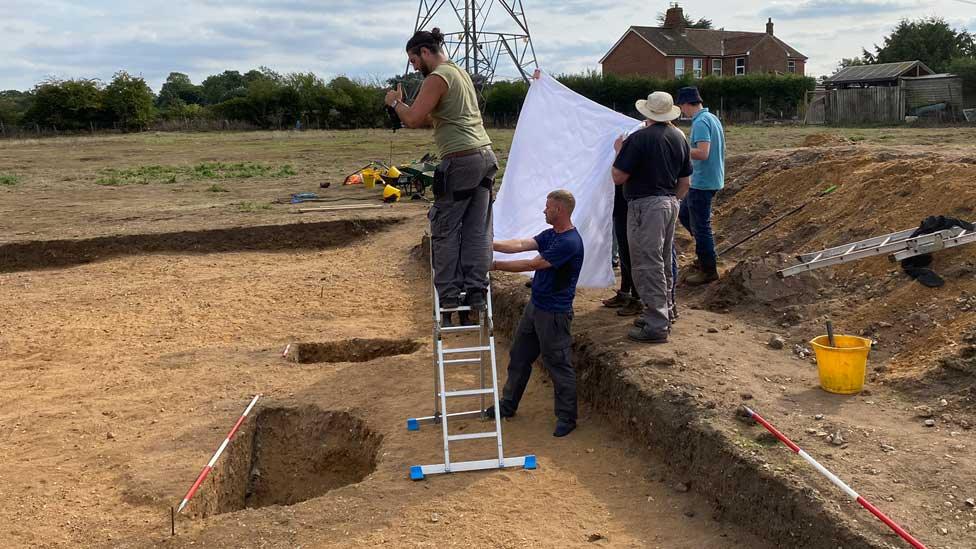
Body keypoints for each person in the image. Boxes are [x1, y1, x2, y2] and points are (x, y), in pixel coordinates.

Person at [386, 28, 498, 321]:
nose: (413, 67)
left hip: (461, 160)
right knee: (476, 230)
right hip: (484, 157)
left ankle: (448, 298)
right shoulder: (458, 72)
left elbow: (411, 119)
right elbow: (430, 119)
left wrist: (395, 103)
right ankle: (475, 293)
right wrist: (409, 111)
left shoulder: (437, 78)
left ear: (424, 52)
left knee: (445, 229)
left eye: (413, 60)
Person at [487, 190, 584, 437]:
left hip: (554, 314)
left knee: (558, 364)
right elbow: (521, 245)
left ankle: (567, 417)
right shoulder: (552, 235)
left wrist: (494, 265)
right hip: (536, 307)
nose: (544, 210)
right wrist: (488, 245)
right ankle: (508, 405)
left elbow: (533, 264)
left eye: (547, 207)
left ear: (559, 210)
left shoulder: (568, 242)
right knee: (519, 356)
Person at [611, 91, 691, 344]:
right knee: (664, 261)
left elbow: (618, 176)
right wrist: (673, 201)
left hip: (646, 206)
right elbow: (685, 181)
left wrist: (619, 152)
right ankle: (667, 311)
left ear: (647, 113)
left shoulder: (639, 139)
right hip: (670, 203)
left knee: (647, 264)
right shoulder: (679, 137)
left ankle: (656, 324)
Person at [675, 86, 725, 285]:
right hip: (708, 179)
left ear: (687, 104)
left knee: (701, 226)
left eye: (681, 106)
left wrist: (680, 149)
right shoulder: (711, 118)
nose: (682, 110)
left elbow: (703, 153)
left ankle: (708, 269)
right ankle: (707, 253)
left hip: (703, 182)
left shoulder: (701, 122)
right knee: (685, 214)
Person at [602, 184, 642, 316]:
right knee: (625, 255)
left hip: (631, 206)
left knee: (631, 256)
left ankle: (637, 299)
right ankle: (625, 292)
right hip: (621, 206)